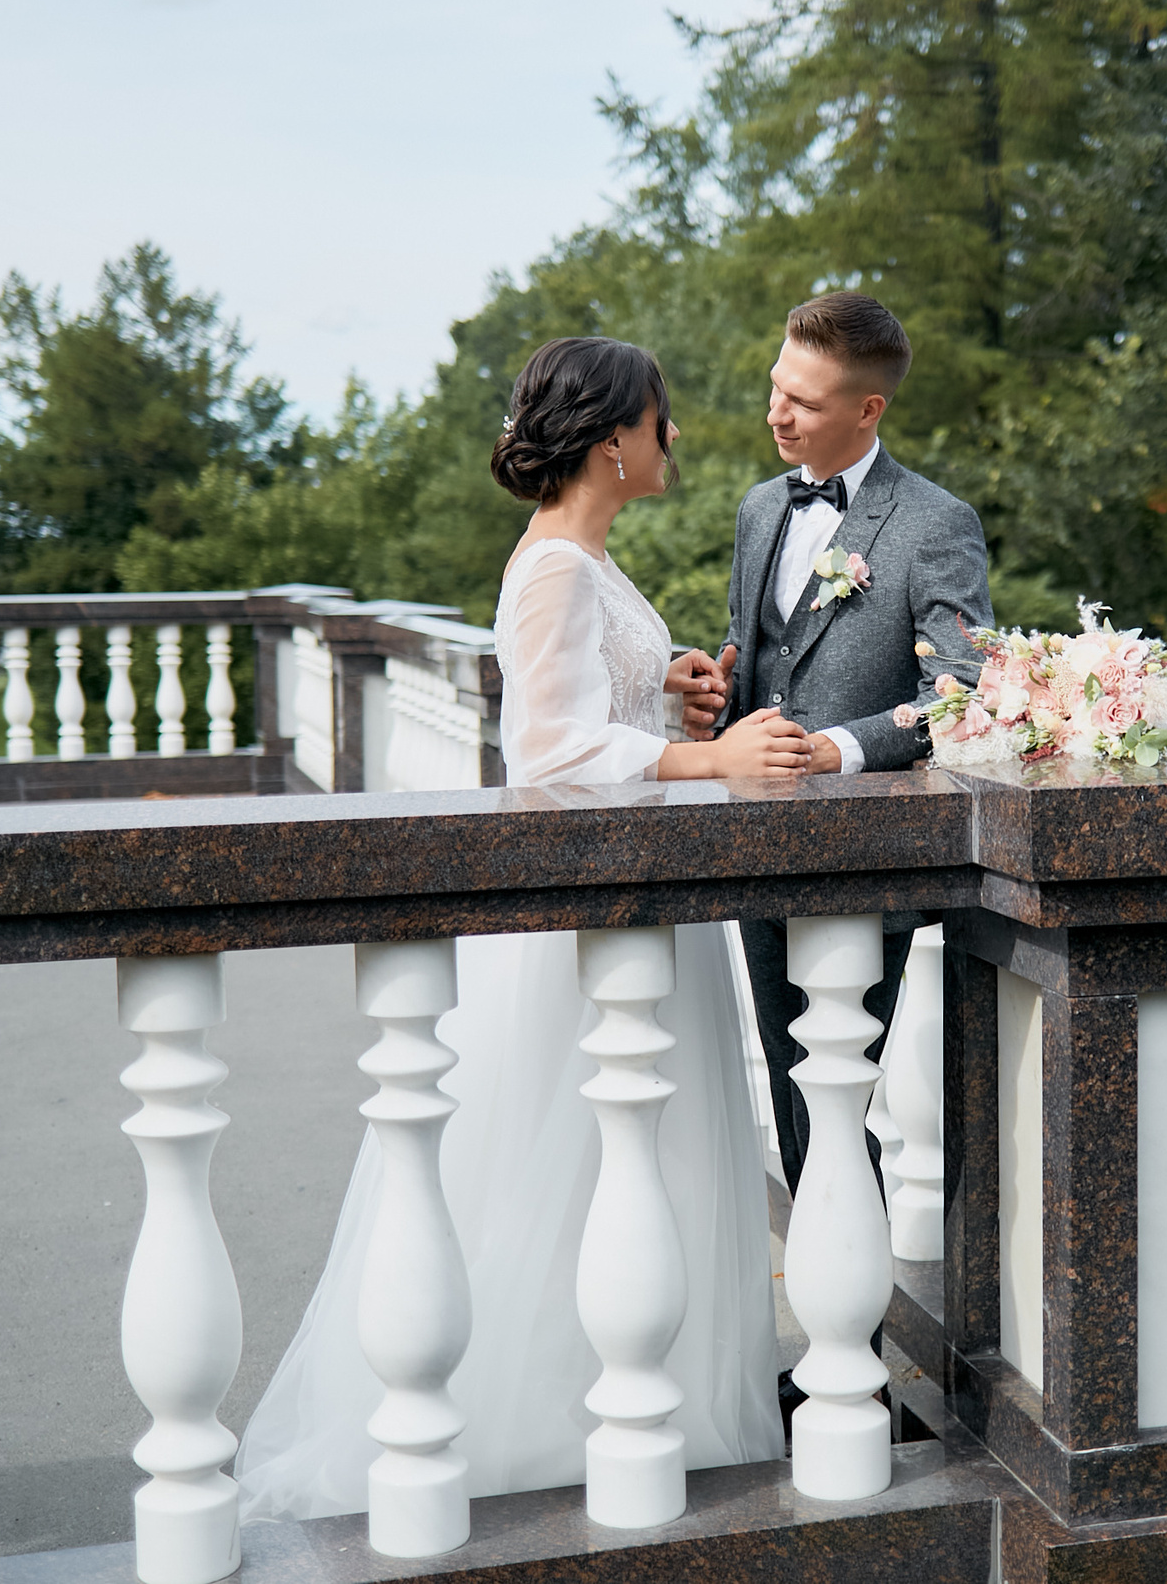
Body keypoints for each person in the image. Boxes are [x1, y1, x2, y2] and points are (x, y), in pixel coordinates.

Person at [236, 338, 804, 1520]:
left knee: (635, 1169)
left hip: (639, 898)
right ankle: (548, 1425)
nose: (674, 438)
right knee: (566, 1175)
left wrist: (670, 691)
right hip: (579, 928)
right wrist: (708, 756)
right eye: (662, 419)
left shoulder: (587, 560)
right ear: (613, 439)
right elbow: (548, 752)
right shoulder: (553, 567)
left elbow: (590, 709)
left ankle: (653, 1409)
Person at [692, 293, 994, 1194]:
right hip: (752, 841)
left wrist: (836, 750)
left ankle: (855, 1327)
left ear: (870, 410)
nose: (778, 412)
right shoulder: (758, 509)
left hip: (866, 856)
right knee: (793, 1091)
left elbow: (965, 690)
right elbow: (757, 665)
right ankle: (847, 1315)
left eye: (807, 401)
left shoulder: (935, 522)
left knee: (837, 1093)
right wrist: (713, 691)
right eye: (777, 386)